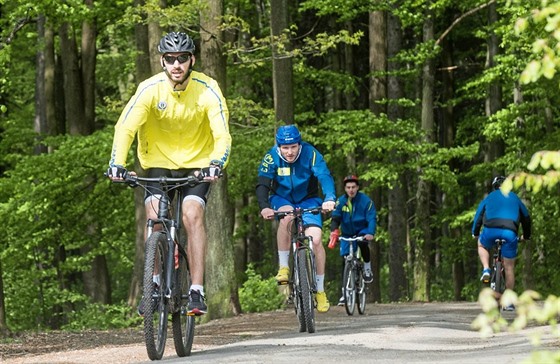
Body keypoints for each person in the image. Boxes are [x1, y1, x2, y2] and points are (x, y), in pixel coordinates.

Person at [106, 31, 231, 316]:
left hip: (198, 165)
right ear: (162, 61)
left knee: (192, 215)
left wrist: (216, 162)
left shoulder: (207, 88)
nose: (177, 64)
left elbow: (222, 134)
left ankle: (196, 290)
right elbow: (125, 127)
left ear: (192, 60)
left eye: (183, 58)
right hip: (157, 163)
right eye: (170, 59)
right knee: (155, 218)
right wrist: (117, 163)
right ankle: (152, 283)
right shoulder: (149, 89)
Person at [256, 125, 336, 313]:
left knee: (316, 240)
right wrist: (264, 207)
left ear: (299, 145)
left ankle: (320, 290)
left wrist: (330, 198)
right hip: (281, 198)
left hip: (309, 199)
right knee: (287, 217)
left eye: (293, 147)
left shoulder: (311, 154)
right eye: (285, 147)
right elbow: (262, 183)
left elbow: (324, 176)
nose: (290, 152)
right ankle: (284, 267)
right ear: (279, 147)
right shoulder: (271, 157)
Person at [472, 175, 531, 311]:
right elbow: (526, 218)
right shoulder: (515, 198)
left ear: (494, 186)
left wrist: (475, 232)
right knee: (509, 267)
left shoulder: (490, 197)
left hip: (490, 230)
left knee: (481, 243)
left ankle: (486, 268)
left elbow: (478, 216)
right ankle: (509, 301)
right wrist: (526, 236)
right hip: (510, 233)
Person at [328, 175, 377, 306]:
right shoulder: (341, 202)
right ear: (345, 188)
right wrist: (334, 231)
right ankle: (345, 293)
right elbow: (335, 218)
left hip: (362, 230)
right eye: (348, 187)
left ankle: (367, 268)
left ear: (358, 187)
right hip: (347, 233)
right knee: (345, 259)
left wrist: (370, 233)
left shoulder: (366, 201)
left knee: (362, 243)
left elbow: (372, 218)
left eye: (353, 187)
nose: (351, 190)